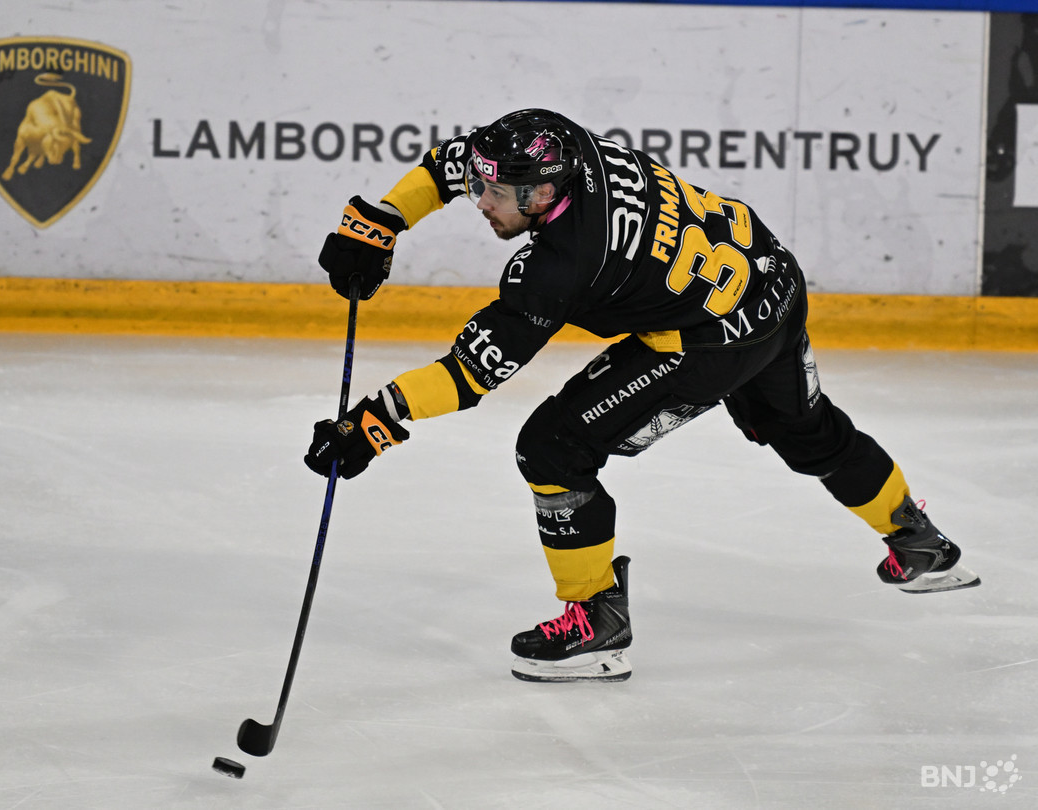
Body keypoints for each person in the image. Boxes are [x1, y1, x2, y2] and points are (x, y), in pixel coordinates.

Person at [304, 108, 980, 683]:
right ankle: (917, 541)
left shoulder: (559, 266)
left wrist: (373, 422)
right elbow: (451, 163)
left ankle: (595, 620)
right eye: (482, 187)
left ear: (543, 194)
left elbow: (467, 375)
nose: (480, 201)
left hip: (709, 340)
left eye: (496, 194)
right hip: (770, 281)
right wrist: (381, 219)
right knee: (805, 429)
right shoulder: (563, 143)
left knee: (552, 449)